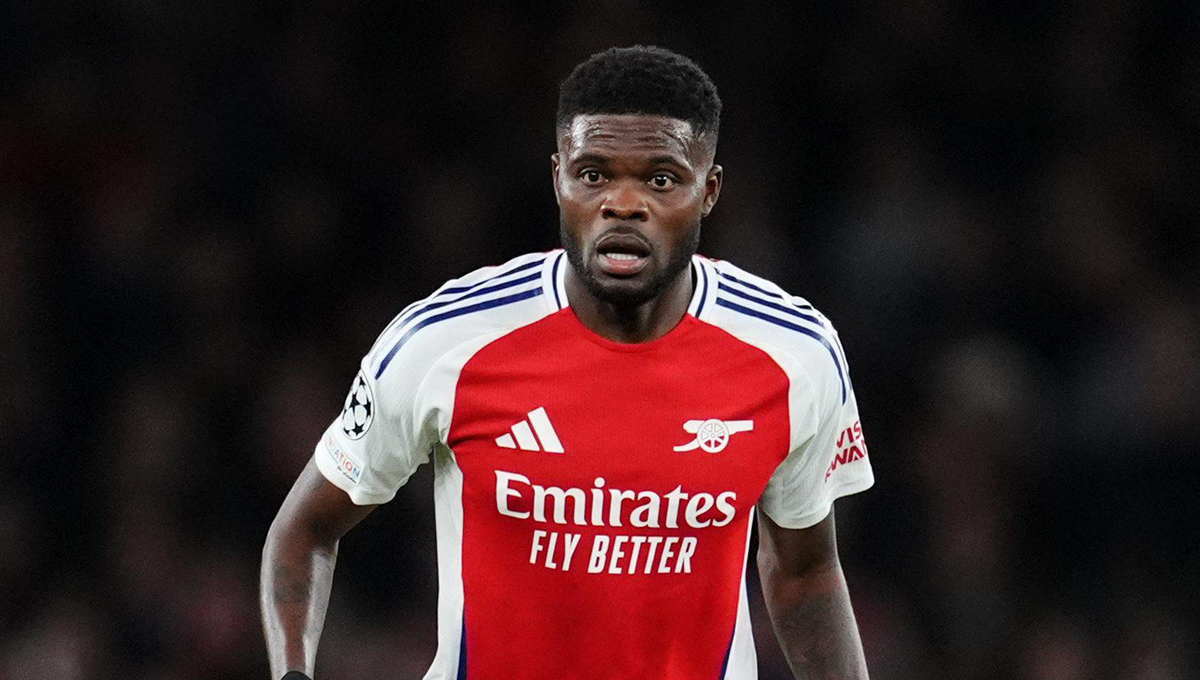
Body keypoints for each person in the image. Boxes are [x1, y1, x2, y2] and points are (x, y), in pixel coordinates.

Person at [261, 45, 874, 680]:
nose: (623, 204)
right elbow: (304, 533)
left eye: (661, 180)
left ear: (709, 190)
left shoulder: (794, 355)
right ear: (559, 179)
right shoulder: (444, 342)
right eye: (594, 175)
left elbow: (805, 573)